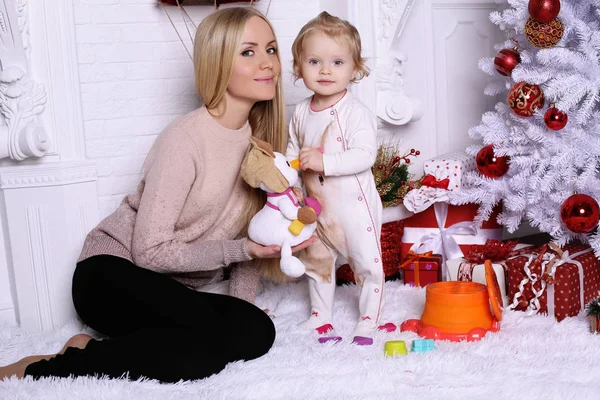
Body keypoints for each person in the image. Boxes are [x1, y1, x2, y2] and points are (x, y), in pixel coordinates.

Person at [0, 7, 315, 383]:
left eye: (271, 49)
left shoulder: (262, 149)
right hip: (111, 273)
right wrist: (243, 250)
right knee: (198, 356)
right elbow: (149, 251)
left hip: (169, 288)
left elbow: (249, 236)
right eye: (248, 52)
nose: (268, 64)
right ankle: (46, 368)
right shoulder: (184, 140)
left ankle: (89, 347)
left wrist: (239, 308)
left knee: (257, 331)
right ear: (217, 61)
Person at [286, 12, 383, 345]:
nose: (325, 70)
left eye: (337, 62)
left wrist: (324, 161)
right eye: (314, 61)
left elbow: (363, 156)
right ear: (299, 68)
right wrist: (290, 182)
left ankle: (369, 317)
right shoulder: (300, 112)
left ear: (354, 69)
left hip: (354, 207)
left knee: (366, 262)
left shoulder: (355, 113)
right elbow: (292, 153)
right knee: (316, 260)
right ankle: (319, 315)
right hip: (317, 207)